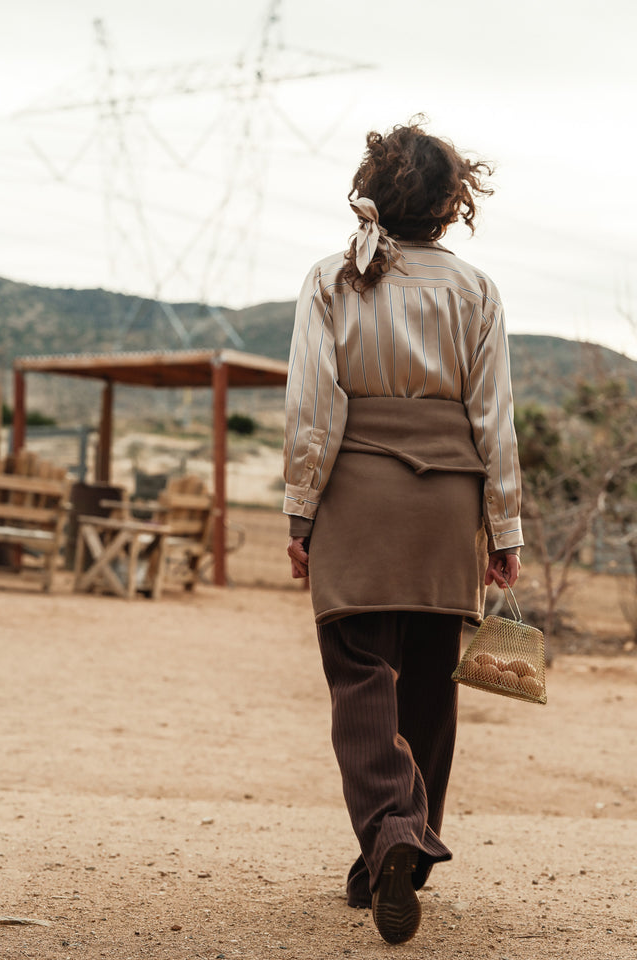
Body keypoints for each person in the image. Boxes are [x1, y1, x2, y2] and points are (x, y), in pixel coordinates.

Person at [282, 115, 523, 946]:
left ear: (373, 193)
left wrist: (301, 511)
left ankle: (390, 829)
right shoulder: (476, 291)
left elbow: (314, 411)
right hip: (449, 507)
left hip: (359, 501)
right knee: (429, 683)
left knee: (360, 678)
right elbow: (494, 419)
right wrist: (506, 527)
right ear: (452, 205)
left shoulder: (330, 280)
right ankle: (394, 857)